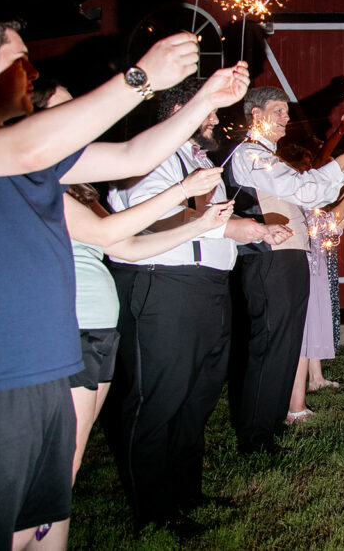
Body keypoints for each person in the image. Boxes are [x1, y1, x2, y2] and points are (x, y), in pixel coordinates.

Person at [0, 19, 211, 550]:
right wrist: (141, 79)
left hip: (50, 362)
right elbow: (28, 151)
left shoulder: (39, 157)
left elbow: (132, 157)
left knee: (45, 518)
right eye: (22, 61)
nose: (32, 71)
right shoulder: (10, 148)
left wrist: (203, 101)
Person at [104, 74, 274, 536]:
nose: (216, 121)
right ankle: (154, 512)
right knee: (158, 399)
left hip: (209, 289)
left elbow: (213, 221)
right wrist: (222, 227)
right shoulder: (147, 155)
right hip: (165, 287)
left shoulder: (199, 161)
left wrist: (250, 229)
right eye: (211, 112)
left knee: (197, 397)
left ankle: (186, 492)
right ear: (182, 113)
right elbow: (141, 211)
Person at [229, 86, 344, 454]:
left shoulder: (269, 157)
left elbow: (316, 196)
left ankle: (270, 426)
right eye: (278, 110)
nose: (286, 118)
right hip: (268, 258)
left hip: (289, 257)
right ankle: (256, 437)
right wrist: (341, 162)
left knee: (285, 345)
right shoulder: (249, 155)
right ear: (255, 114)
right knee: (270, 344)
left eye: (286, 111)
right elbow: (302, 189)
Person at [287, 176, 344, 423]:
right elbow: (328, 222)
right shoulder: (296, 205)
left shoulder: (305, 205)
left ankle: (305, 393)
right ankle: (295, 407)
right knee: (302, 338)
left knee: (309, 335)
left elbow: (333, 227)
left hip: (315, 268)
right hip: (304, 270)